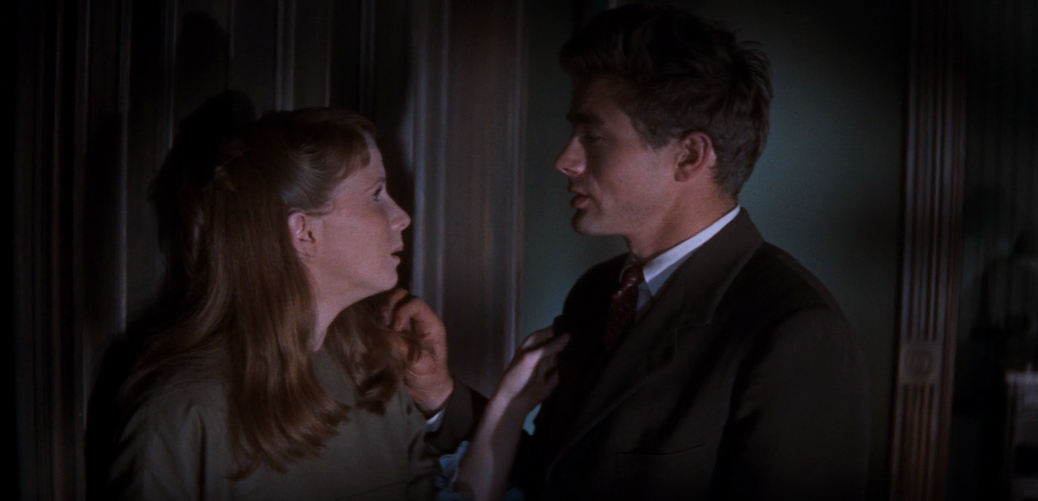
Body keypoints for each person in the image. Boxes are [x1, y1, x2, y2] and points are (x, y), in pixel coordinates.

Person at [106, 107, 565, 500]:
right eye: (375, 195)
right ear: (304, 232)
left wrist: (509, 404)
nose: (402, 217)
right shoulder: (180, 413)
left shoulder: (374, 375)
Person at [516, 4, 870, 499]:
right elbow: (554, 473)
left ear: (688, 156)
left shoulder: (793, 331)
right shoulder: (596, 293)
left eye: (592, 136)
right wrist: (441, 397)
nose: (565, 160)